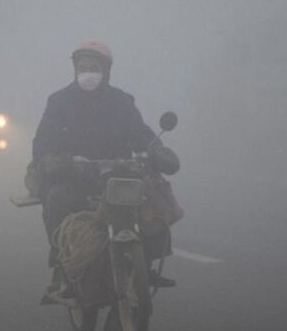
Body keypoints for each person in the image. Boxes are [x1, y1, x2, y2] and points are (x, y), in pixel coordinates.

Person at [31, 40, 179, 291]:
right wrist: (58, 162)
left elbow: (141, 133)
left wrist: (158, 150)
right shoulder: (59, 101)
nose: (87, 73)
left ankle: (146, 263)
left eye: (93, 67)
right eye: (82, 67)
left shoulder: (122, 102)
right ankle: (62, 267)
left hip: (117, 174)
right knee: (58, 198)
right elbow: (42, 143)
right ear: (75, 69)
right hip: (73, 176)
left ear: (106, 71)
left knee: (154, 196)